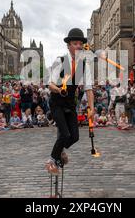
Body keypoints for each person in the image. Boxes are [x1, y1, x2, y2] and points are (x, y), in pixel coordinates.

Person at [45, 28, 95, 175]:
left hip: (70, 104)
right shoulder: (60, 61)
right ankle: (51, 161)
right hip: (57, 103)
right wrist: (59, 90)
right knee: (65, 135)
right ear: (69, 45)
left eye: (80, 44)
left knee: (75, 137)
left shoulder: (84, 65)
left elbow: (89, 89)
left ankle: (59, 151)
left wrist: (91, 108)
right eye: (75, 43)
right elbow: (50, 84)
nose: (78, 46)